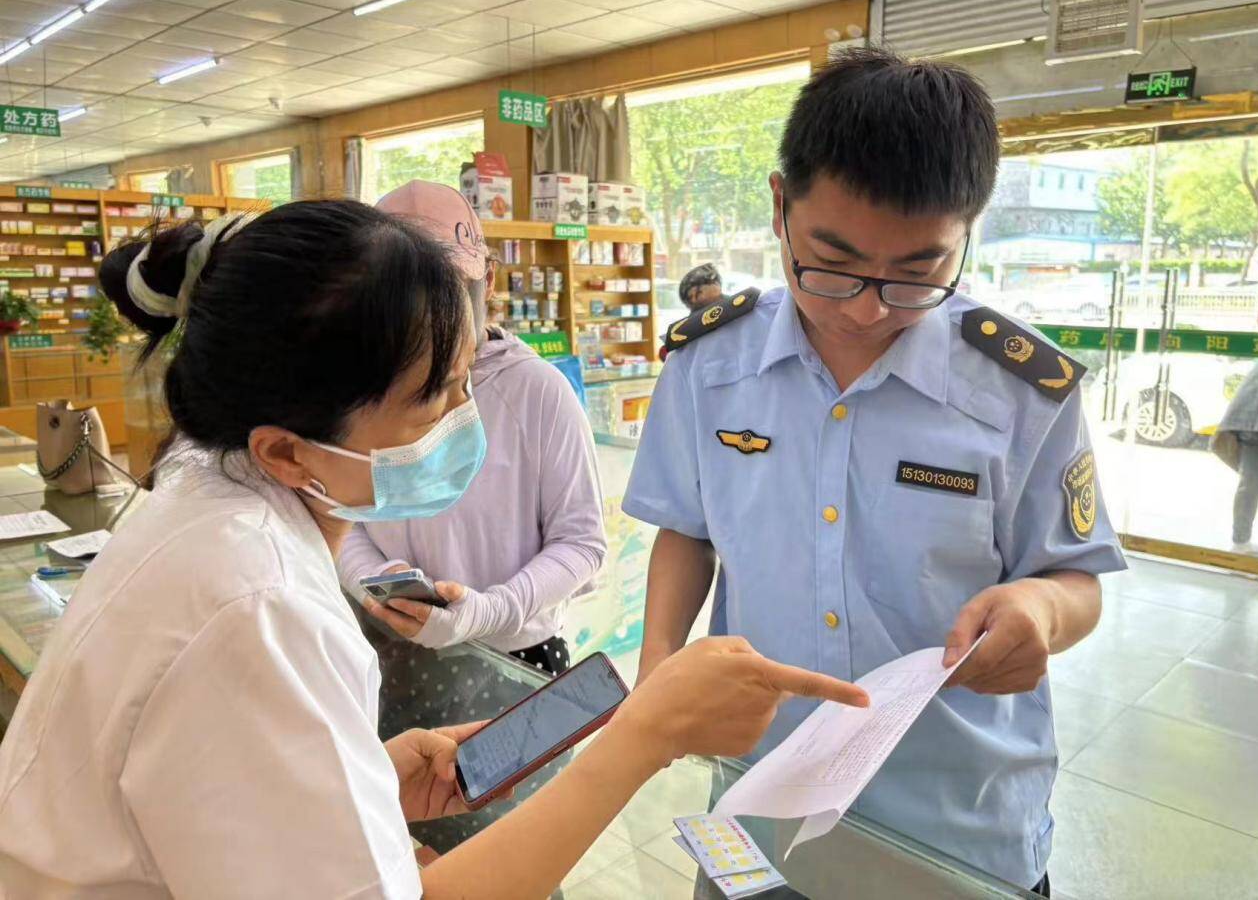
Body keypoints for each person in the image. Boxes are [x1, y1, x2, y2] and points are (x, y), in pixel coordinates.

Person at [0, 201, 870, 898]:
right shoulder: (259, 608)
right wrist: (639, 740)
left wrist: (363, 779)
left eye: (467, 380)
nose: (465, 419)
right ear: (287, 451)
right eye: (432, 398)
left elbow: (212, 790)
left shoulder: (202, 504)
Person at [624, 47, 1127, 897]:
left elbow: (1074, 580)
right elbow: (687, 530)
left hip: (953, 824)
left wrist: (1037, 608)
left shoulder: (1018, 391)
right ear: (780, 206)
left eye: (915, 273)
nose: (865, 308)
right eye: (832, 263)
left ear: (966, 233)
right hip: (759, 798)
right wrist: (658, 669)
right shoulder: (709, 366)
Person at [340, 181, 604, 676]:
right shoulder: (359, 385)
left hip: (517, 657)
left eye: (450, 292)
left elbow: (583, 543)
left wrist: (490, 611)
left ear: (488, 278)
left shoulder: (536, 391)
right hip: (385, 647)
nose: (429, 317)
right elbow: (341, 513)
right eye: (405, 297)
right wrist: (376, 579)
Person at [1212, 361, 1258, 553]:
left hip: (1252, 430)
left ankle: (1241, 541)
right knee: (1250, 486)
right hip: (1255, 432)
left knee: (1249, 486)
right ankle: (1241, 541)